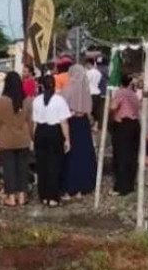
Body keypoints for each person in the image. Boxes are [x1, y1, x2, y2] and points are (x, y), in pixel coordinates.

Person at [0, 71, 33, 206]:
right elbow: (30, 121)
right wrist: (32, 136)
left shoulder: (2, 101)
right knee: (22, 168)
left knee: (8, 169)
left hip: (6, 139)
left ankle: (10, 198)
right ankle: (22, 196)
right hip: (23, 139)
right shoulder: (27, 100)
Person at [32, 75, 71, 207]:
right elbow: (64, 122)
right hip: (54, 132)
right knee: (54, 165)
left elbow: (35, 123)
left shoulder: (36, 100)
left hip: (40, 132)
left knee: (42, 164)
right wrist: (67, 139)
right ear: (54, 85)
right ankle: (52, 197)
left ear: (41, 86)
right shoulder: (60, 100)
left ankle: (43, 196)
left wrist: (33, 138)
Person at [61, 67, 97, 199]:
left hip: (71, 123)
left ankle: (71, 187)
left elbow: (62, 106)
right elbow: (89, 109)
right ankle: (84, 186)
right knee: (84, 154)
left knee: (71, 156)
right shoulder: (86, 90)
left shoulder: (68, 88)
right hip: (83, 124)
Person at [109, 73, 141, 195]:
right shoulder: (133, 94)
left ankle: (120, 187)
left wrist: (111, 115)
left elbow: (113, 106)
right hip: (134, 124)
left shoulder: (121, 93)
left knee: (121, 155)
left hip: (123, 124)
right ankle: (129, 185)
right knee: (132, 156)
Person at [85, 57, 105, 131]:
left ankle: (88, 125)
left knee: (88, 110)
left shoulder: (88, 73)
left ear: (88, 63)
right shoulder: (98, 73)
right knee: (96, 110)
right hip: (97, 92)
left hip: (89, 93)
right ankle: (96, 126)